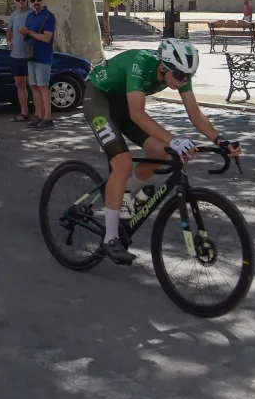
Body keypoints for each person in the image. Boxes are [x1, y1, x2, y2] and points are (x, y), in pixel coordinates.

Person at [83, 39, 241, 265]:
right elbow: (137, 114)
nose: (183, 81)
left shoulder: (179, 72)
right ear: (163, 67)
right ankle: (110, 238)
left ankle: (125, 197)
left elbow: (195, 114)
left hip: (124, 103)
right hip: (99, 98)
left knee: (160, 153)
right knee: (123, 164)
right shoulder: (139, 63)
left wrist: (221, 140)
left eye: (188, 76)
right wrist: (174, 140)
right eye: (179, 76)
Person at [21, 0, 57, 129]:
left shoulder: (48, 16)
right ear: (30, 2)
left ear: (42, 0)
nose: (36, 2)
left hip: (43, 56)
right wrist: (24, 33)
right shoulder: (29, 17)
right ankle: (39, 117)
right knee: (34, 87)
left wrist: (29, 32)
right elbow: (26, 37)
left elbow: (46, 38)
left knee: (43, 87)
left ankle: (48, 119)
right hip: (31, 55)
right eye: (33, 0)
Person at [7, 0, 34, 122]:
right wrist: (8, 41)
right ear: (14, 1)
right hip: (15, 55)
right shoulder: (14, 15)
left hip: (30, 55)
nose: (20, 2)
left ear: (27, 0)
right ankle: (24, 113)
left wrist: (27, 34)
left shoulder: (32, 14)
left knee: (34, 85)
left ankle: (39, 114)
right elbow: (9, 29)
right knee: (19, 84)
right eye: (18, 0)